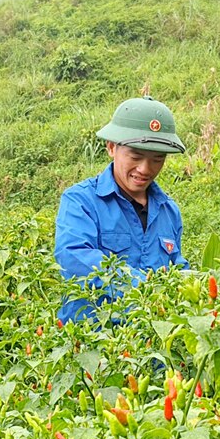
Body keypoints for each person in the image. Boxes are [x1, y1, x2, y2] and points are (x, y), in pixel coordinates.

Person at [55, 96, 188, 324]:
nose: (145, 169)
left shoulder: (169, 211)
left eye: (157, 159)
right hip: (98, 346)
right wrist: (143, 287)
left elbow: (176, 267)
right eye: (135, 156)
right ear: (111, 148)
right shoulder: (81, 201)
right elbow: (74, 257)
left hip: (151, 347)